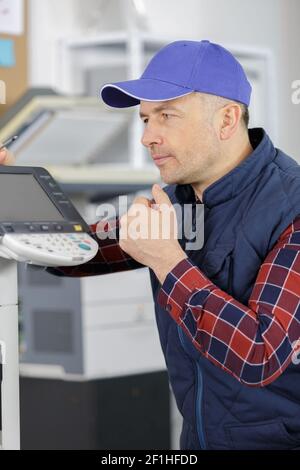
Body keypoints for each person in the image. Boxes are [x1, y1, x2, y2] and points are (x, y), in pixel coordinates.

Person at [2, 40, 300, 450]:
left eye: (166, 116)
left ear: (227, 120)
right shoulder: (180, 199)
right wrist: (10, 198)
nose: (147, 137)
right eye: (144, 119)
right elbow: (79, 252)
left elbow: (262, 353)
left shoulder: (292, 207)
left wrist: (169, 262)